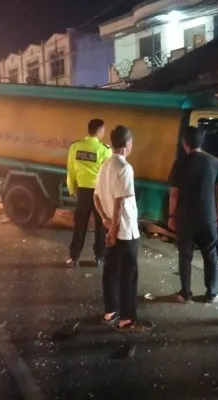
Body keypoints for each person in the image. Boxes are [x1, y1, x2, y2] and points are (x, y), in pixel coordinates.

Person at [93, 126, 149, 332]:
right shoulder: (124, 168)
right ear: (127, 144)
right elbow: (119, 201)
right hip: (125, 231)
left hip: (113, 228)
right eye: (131, 142)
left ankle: (110, 311)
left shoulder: (105, 165)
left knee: (110, 271)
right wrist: (113, 230)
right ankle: (127, 318)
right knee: (129, 274)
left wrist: (105, 220)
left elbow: (96, 197)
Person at [168, 126, 218, 304]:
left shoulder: (180, 163)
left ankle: (186, 293)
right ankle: (212, 293)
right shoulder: (214, 162)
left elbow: (174, 193)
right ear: (202, 141)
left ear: (185, 143)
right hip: (208, 217)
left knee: (185, 256)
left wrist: (171, 216)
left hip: (186, 218)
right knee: (210, 255)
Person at [66, 119, 112, 268]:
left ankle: (74, 257)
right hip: (99, 192)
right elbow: (107, 175)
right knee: (100, 226)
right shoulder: (105, 150)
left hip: (83, 191)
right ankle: (99, 257)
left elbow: (71, 171)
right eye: (103, 130)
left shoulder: (75, 147)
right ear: (99, 131)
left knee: (79, 225)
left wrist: (73, 190)